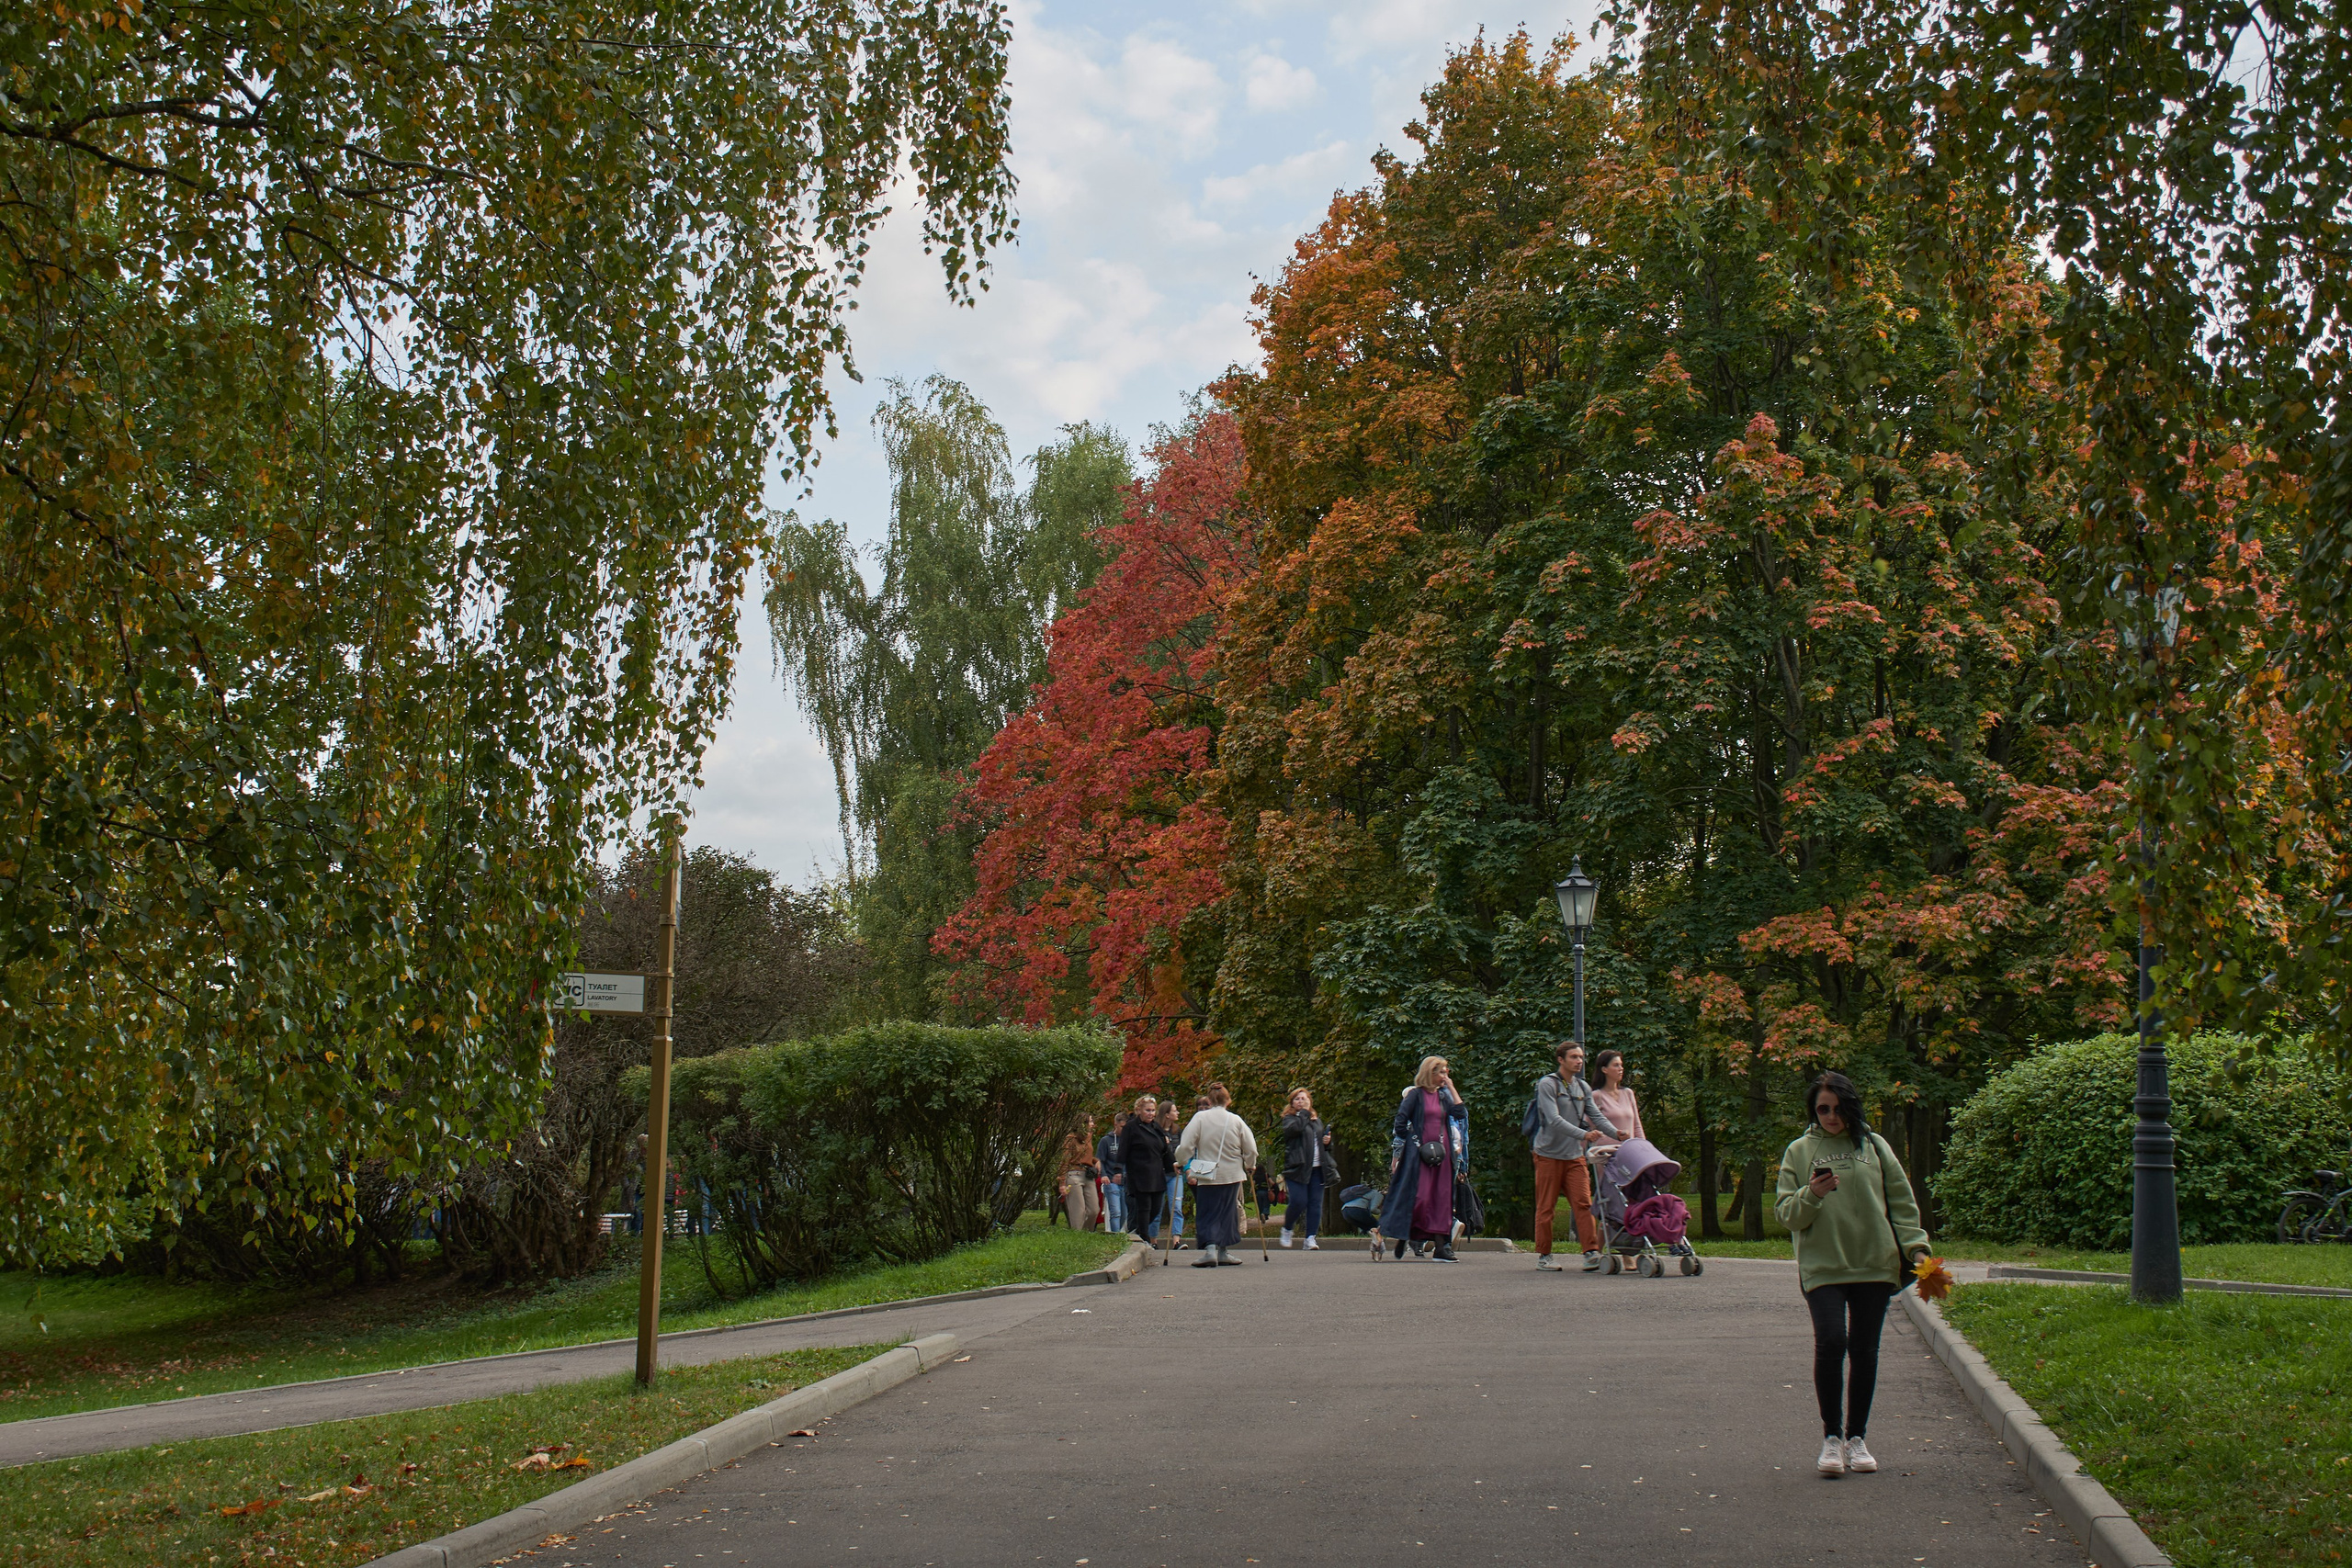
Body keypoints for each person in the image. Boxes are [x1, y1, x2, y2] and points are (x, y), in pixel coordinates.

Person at [1775, 1070, 1931, 1479]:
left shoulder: (1874, 1146)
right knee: (1831, 1341)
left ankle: (1856, 1438)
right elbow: (1787, 1214)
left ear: (1851, 1107)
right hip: (1823, 1265)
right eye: (1822, 1109)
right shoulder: (1799, 1150)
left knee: (1864, 1349)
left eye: (1838, 1109)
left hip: (1875, 1263)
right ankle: (1831, 1438)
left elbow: (1902, 1202)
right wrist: (1813, 1193)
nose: (1831, 1116)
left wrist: (1917, 1249)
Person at [1531, 1041, 1621, 1272]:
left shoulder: (1582, 1087)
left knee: (1584, 1204)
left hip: (1574, 1157)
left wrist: (1616, 1133)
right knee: (1546, 1207)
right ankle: (1544, 1256)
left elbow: (1596, 1116)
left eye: (1581, 1057)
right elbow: (1554, 1119)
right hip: (1548, 1155)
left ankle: (1591, 1253)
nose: (1579, 1061)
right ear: (1561, 1060)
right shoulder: (1548, 1084)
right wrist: (1585, 1134)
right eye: (1574, 1057)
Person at [1377, 1056, 1467, 1260]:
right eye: (1442, 1072)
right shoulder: (1415, 1096)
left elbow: (1460, 1113)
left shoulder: (1443, 1096)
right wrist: (1414, 1141)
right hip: (1419, 1155)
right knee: (1421, 1197)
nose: (1445, 1076)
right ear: (1430, 1073)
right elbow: (1400, 1123)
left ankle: (1441, 1247)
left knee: (1441, 1199)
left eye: (1446, 1072)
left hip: (1442, 1155)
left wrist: (1451, 1087)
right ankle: (1406, 1234)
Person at [1175, 1082, 1259, 1267]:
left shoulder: (1200, 1118)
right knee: (1228, 1211)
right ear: (1228, 1100)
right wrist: (1250, 1165)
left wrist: (1180, 1161)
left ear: (1210, 1100)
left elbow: (1186, 1145)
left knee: (1207, 1211)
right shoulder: (1236, 1120)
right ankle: (1223, 1252)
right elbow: (1251, 1148)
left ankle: (1210, 1250)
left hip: (1206, 1173)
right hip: (1232, 1174)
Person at [1279, 1088, 1338, 1249]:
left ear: (1310, 1101)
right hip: (1297, 1168)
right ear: (1292, 1103)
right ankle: (1287, 1229)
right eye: (1297, 1099)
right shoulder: (1289, 1119)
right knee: (1299, 1201)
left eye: (1304, 1098)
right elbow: (1295, 1130)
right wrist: (1304, 1113)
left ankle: (1310, 1238)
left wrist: (1327, 1142)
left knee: (1315, 1203)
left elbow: (1321, 1144)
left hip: (1318, 1168)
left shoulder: (1316, 1120)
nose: (1301, 1101)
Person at [1120, 1094, 1173, 1243]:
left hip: (1157, 1173)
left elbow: (1164, 1149)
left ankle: (1136, 1231)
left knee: (1156, 1207)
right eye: (1147, 1110)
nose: (1151, 1114)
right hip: (1139, 1173)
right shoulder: (1131, 1127)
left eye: (1153, 1110)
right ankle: (1144, 1237)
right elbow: (1123, 1149)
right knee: (1144, 1207)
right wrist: (1118, 1169)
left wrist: (1173, 1165)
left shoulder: (1156, 1127)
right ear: (1139, 1110)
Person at [1589, 1049, 1645, 1144]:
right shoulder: (1596, 1096)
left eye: (1621, 1065)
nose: (1621, 1068)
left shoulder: (1628, 1093)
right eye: (1616, 1065)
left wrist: (1644, 1147)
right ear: (1604, 1069)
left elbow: (1637, 1126)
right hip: (1606, 1150)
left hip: (1628, 1150)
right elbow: (1588, 1129)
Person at [1060, 1115, 1102, 1233]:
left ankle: (1086, 1234)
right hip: (1074, 1175)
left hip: (1088, 1175)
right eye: (1090, 1121)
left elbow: (1086, 1156)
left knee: (1094, 1210)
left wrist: (1096, 1161)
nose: (1093, 1124)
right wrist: (1062, 1183)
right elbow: (1064, 1160)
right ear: (1082, 1124)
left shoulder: (1089, 1137)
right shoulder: (1070, 1139)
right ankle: (1077, 1236)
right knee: (1079, 1212)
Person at [1158, 1100, 1188, 1247]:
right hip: (1159, 1174)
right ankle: (1153, 1240)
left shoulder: (1177, 1131)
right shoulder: (1156, 1130)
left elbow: (1182, 1150)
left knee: (1176, 1206)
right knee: (1157, 1207)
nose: (1177, 1113)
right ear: (1167, 1114)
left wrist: (1182, 1164)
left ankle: (1176, 1240)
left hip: (1175, 1174)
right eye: (1174, 1111)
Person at [1097, 1111, 1129, 1234]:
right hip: (1110, 1180)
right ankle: (1116, 1236)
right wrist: (1104, 1175)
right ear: (1116, 1124)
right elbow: (1100, 1160)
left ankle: (1117, 1234)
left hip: (1125, 1181)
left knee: (1124, 1213)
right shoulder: (1106, 1141)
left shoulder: (1129, 1141)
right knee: (1116, 1212)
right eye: (1122, 1127)